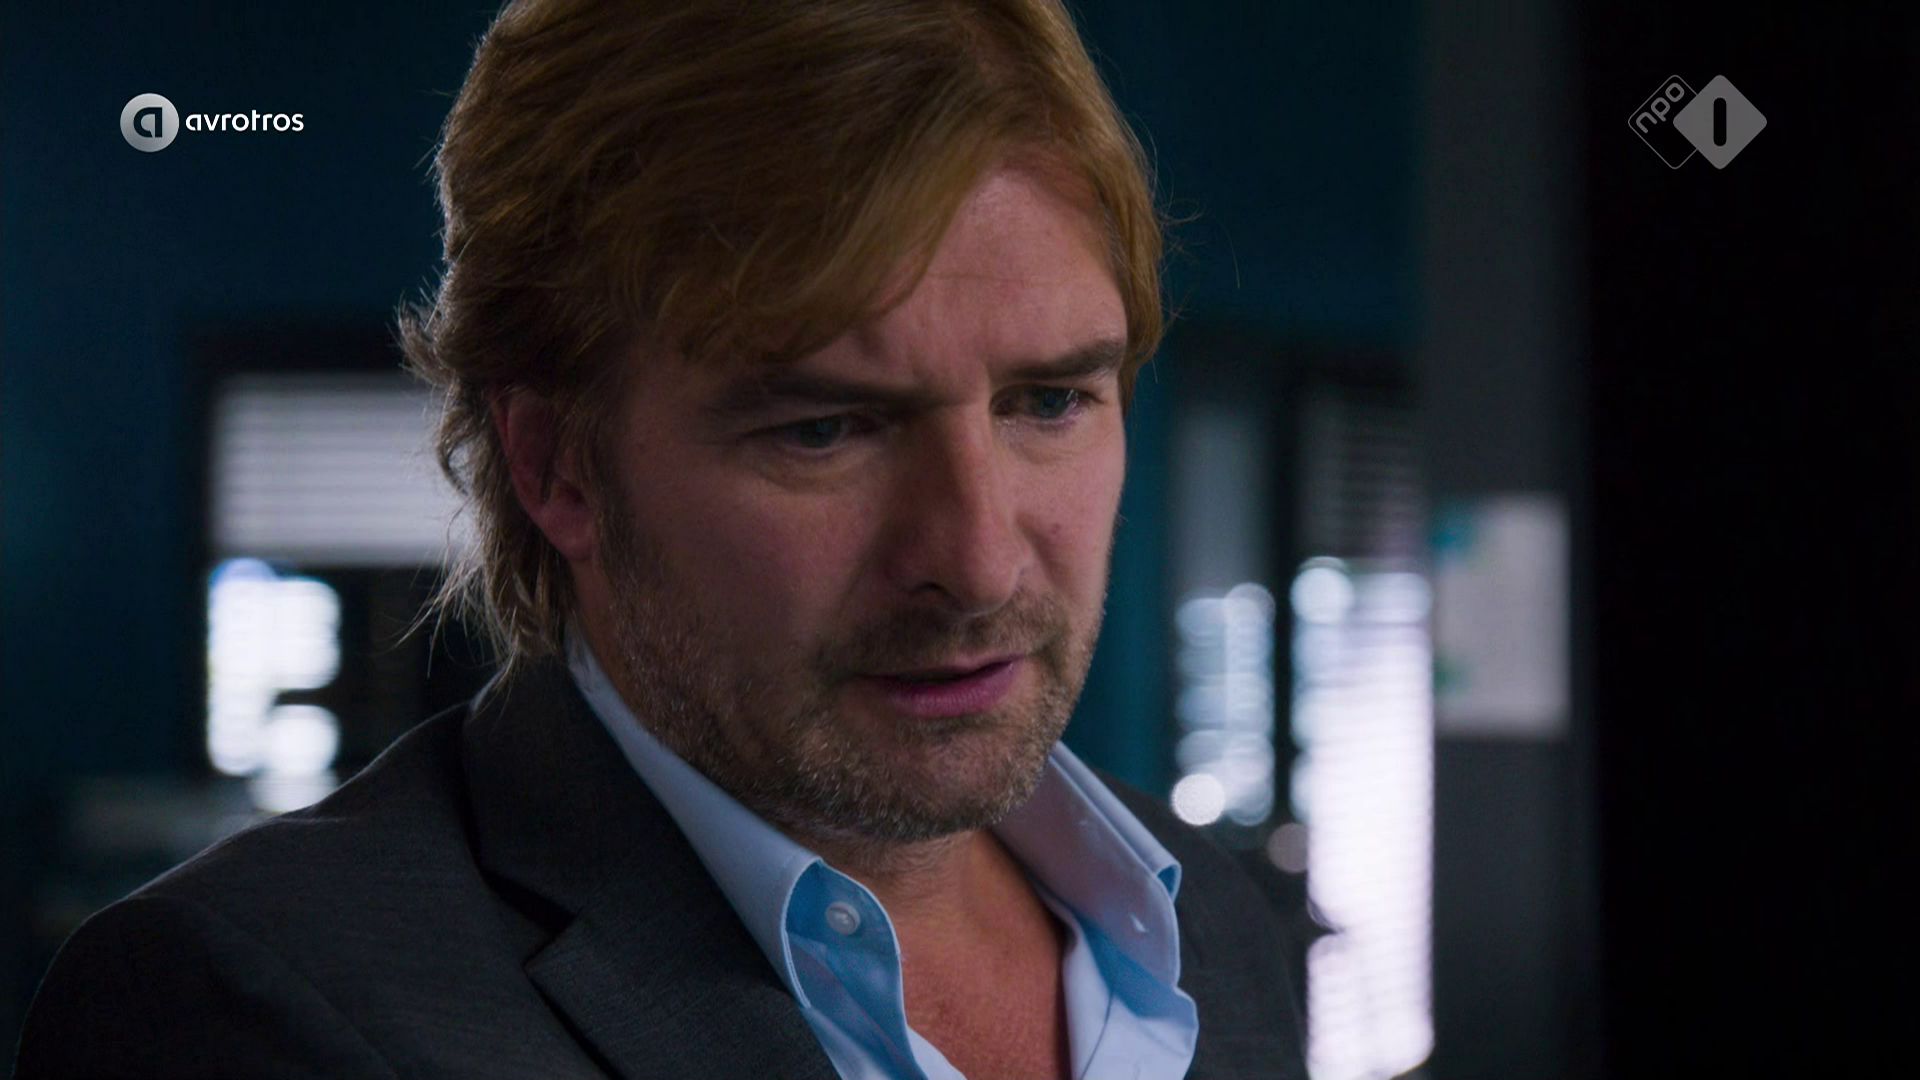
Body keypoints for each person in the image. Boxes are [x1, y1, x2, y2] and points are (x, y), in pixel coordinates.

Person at [16, 1, 1306, 1076]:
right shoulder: (248, 1011)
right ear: (557, 466)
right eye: (825, 429)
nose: (977, 563)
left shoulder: (1217, 923)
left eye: (1049, 402)